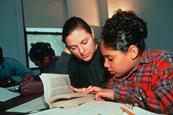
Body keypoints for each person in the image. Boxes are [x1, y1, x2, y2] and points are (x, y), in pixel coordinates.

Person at [71, 9, 173, 114]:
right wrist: (101, 98)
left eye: (110, 59)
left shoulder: (162, 61)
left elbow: (167, 104)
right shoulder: (115, 74)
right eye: (104, 58)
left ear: (132, 52)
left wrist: (117, 94)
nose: (105, 64)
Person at [56, 16, 109, 88]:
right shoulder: (73, 61)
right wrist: (66, 54)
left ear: (92, 33)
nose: (81, 51)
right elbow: (58, 85)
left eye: (84, 42)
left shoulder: (108, 55)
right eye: (74, 47)